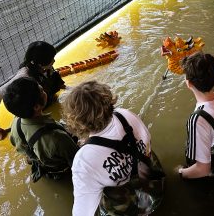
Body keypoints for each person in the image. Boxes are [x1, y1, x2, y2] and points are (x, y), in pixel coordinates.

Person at [62, 81, 160, 216]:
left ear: (76, 121)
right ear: (108, 100)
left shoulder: (83, 160)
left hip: (130, 207)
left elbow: (83, 212)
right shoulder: (125, 114)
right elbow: (148, 142)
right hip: (155, 187)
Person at [3, 77, 78, 182]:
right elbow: (79, 161)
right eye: (42, 90)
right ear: (37, 106)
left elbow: (20, 147)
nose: (44, 91)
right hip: (63, 170)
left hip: (41, 163)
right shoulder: (58, 137)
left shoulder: (16, 122)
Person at [176, 52, 214, 179]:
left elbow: (202, 170)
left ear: (189, 84)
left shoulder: (197, 119)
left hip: (208, 175)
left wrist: (180, 172)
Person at [0, 41, 65, 140]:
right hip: (34, 120)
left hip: (46, 110)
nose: (54, 61)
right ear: (41, 63)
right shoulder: (25, 76)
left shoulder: (45, 68)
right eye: (51, 59)